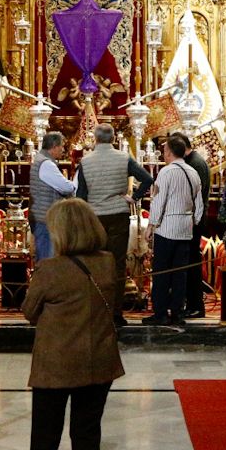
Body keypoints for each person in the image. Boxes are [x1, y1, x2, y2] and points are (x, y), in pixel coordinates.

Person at [23, 198, 126, 450]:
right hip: (96, 363)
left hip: (55, 365)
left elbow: (28, 311)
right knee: (86, 441)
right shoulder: (108, 264)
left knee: (44, 442)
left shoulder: (50, 269)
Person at [76, 125, 152, 328]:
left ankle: (97, 311)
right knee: (117, 264)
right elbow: (147, 179)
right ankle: (116, 313)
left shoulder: (85, 161)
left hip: (95, 216)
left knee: (96, 263)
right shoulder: (123, 158)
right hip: (119, 214)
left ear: (95, 139)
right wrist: (134, 197)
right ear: (113, 139)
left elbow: (81, 195)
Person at [142, 134, 203, 325]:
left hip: (167, 228)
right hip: (185, 228)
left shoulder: (166, 173)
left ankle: (160, 312)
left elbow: (159, 201)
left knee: (161, 271)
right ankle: (177, 311)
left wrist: (151, 224)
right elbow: (199, 203)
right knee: (180, 272)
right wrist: (194, 221)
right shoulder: (193, 172)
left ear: (168, 152)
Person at [171, 131, 213, 320]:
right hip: (192, 220)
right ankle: (191, 302)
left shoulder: (195, 164)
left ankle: (196, 305)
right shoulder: (193, 161)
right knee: (188, 263)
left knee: (192, 264)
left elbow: (194, 195)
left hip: (193, 222)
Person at [29, 131, 78, 262]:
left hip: (43, 217)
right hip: (45, 219)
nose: (63, 150)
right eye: (61, 146)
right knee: (47, 261)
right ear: (54, 146)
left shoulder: (42, 160)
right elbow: (66, 187)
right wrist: (75, 184)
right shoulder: (46, 164)